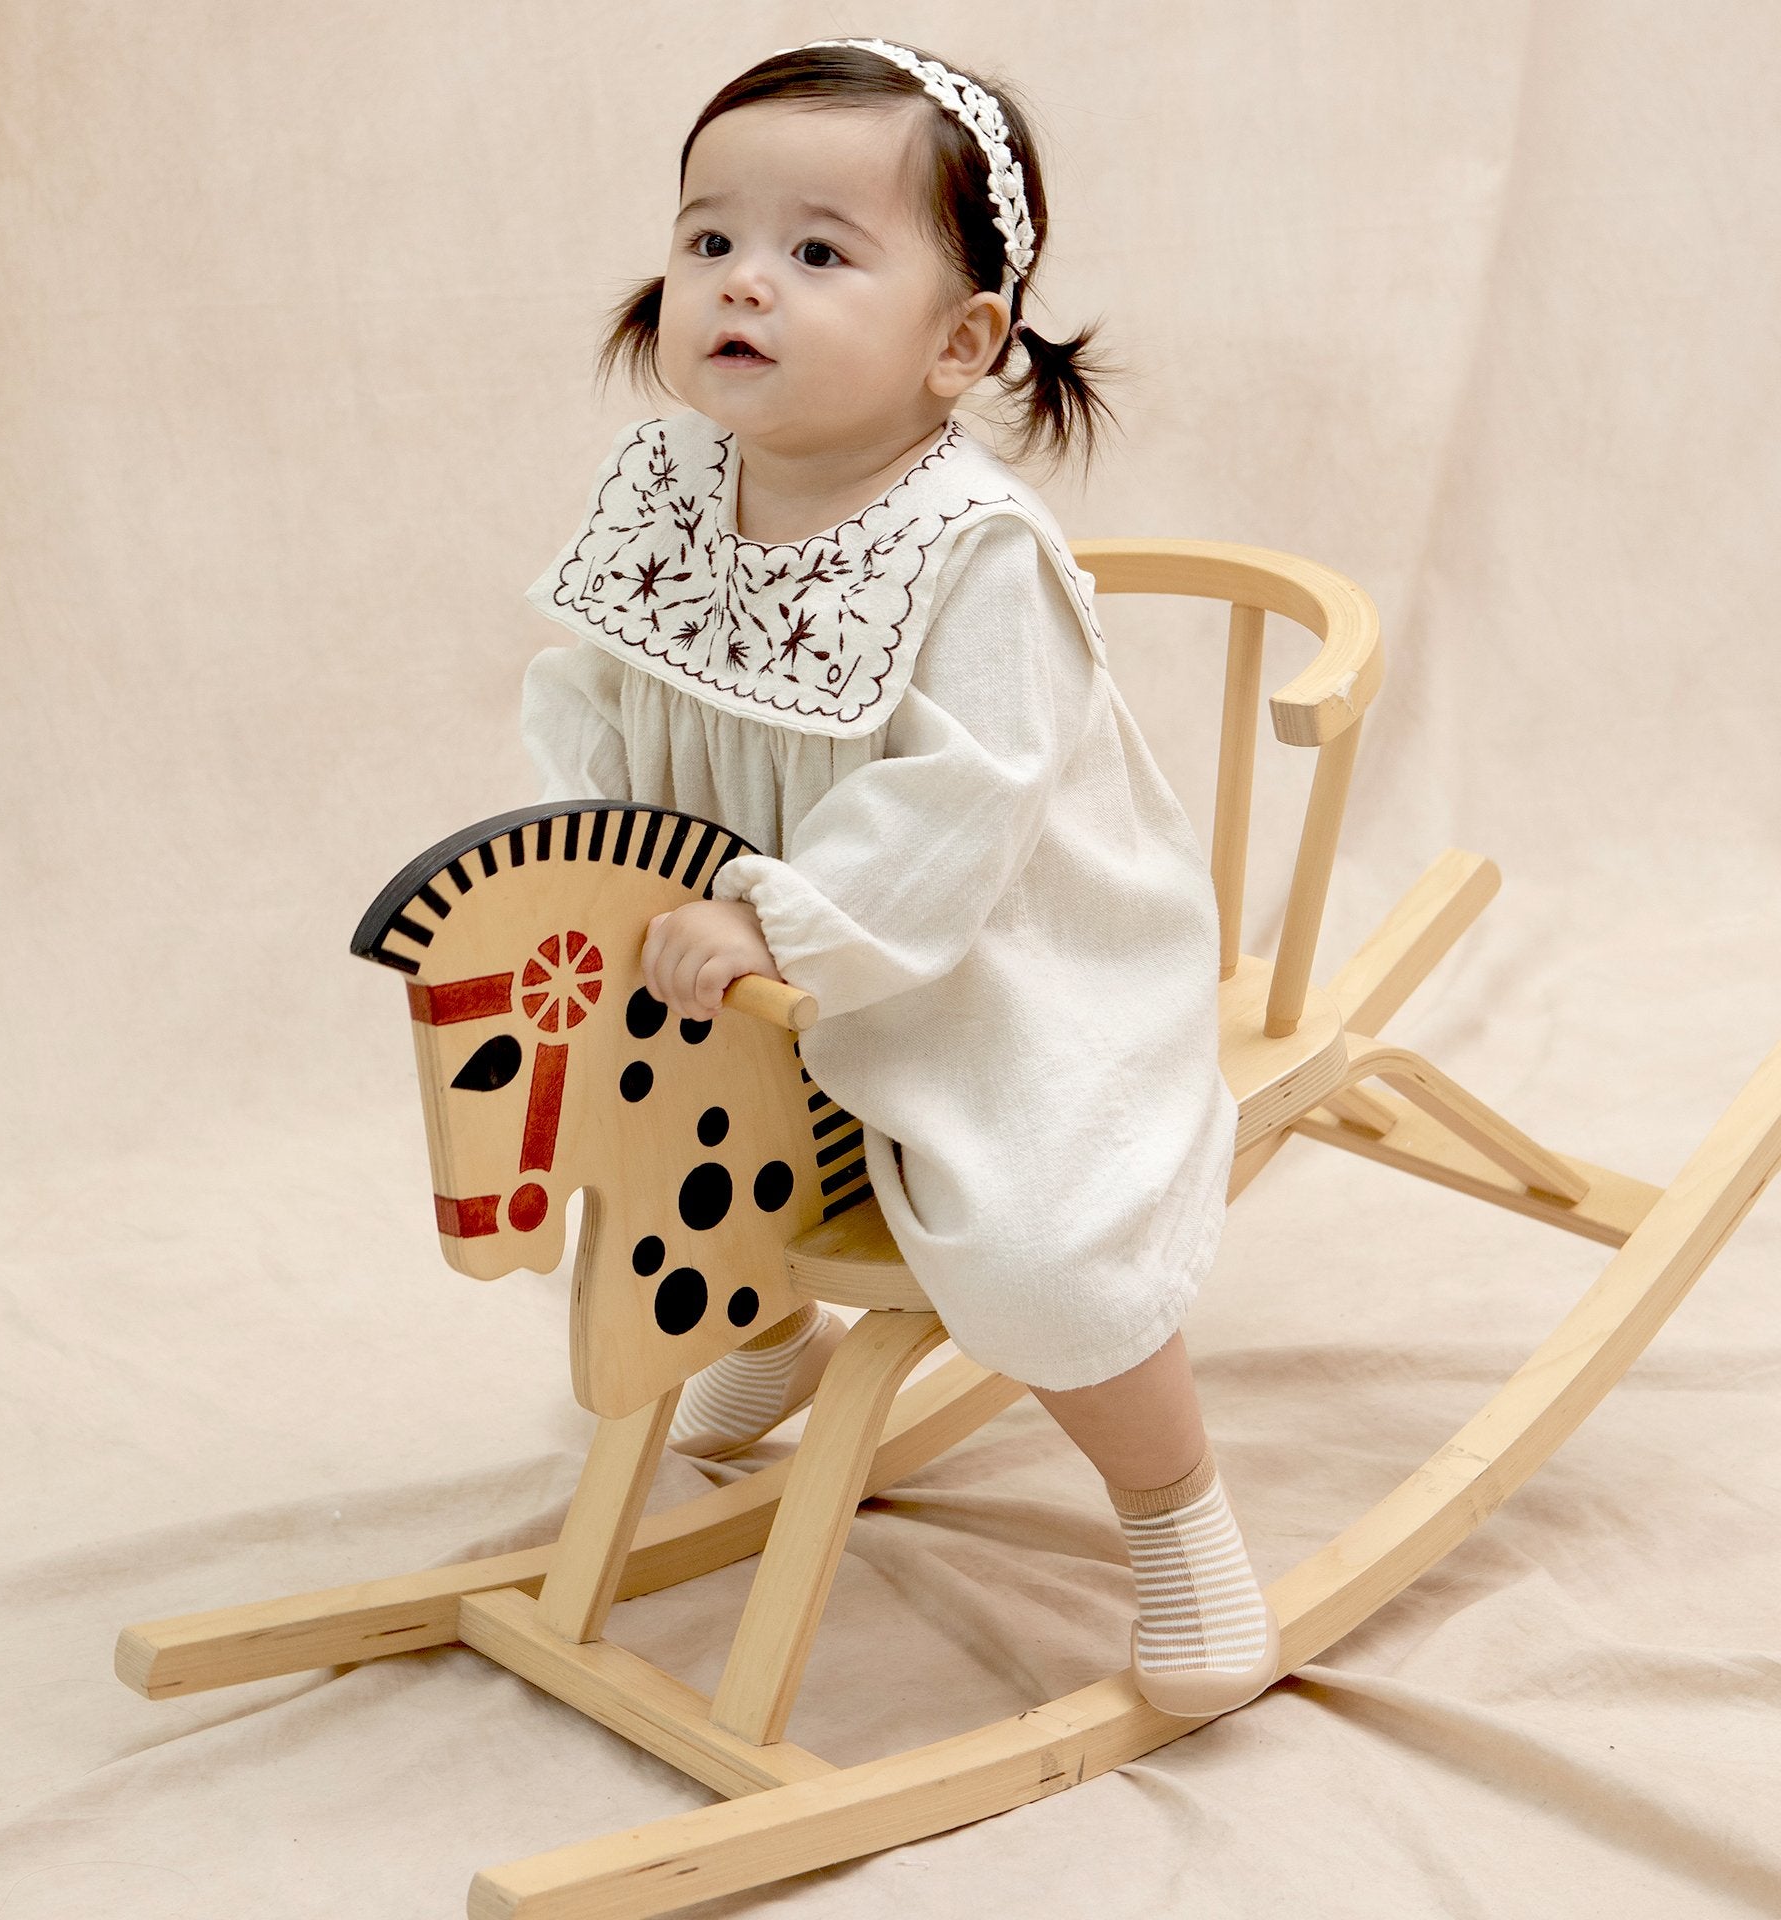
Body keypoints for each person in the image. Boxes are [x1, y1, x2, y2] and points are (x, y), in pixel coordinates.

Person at [517, 37, 1280, 1719]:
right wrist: (596, 856)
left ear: (962, 341)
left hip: (996, 958)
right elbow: (597, 691)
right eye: (709, 239)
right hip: (753, 953)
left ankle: (1178, 1518)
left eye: (816, 251)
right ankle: (765, 1331)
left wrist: (780, 915)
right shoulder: (666, 490)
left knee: (1035, 1236)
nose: (742, 285)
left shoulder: (975, 550)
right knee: (625, 1114)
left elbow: (967, 806)